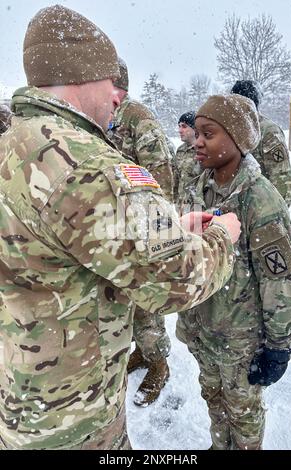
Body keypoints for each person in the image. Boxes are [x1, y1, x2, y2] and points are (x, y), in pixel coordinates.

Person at [0, 5, 241, 450]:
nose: (118, 94)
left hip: (22, 400)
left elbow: (57, 241)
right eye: (111, 80)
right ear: (79, 75)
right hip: (74, 418)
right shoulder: (88, 165)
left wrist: (166, 226)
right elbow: (175, 281)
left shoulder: (14, 144)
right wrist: (221, 234)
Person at [176, 94, 291, 450]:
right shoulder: (200, 187)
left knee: (243, 412)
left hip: (240, 342)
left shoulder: (259, 199)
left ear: (237, 139)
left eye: (208, 134)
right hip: (204, 330)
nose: (197, 141)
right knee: (213, 398)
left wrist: (279, 345)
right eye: (196, 132)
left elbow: (281, 282)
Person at [108, 58, 173, 407]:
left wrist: (159, 240)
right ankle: (142, 352)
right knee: (126, 305)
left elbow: (162, 177)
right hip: (114, 230)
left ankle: (159, 364)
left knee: (147, 305)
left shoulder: (138, 118)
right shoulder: (101, 115)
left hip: (142, 230)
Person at [231, 80, 291, 206]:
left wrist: (276, 215)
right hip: (235, 209)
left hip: (260, 208)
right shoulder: (230, 130)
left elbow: (281, 178)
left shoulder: (268, 131)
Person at [173, 111, 201, 206]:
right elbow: (176, 180)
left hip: (197, 207)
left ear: (195, 129)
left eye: (184, 126)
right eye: (179, 126)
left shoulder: (204, 150)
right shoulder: (180, 150)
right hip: (181, 206)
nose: (180, 130)